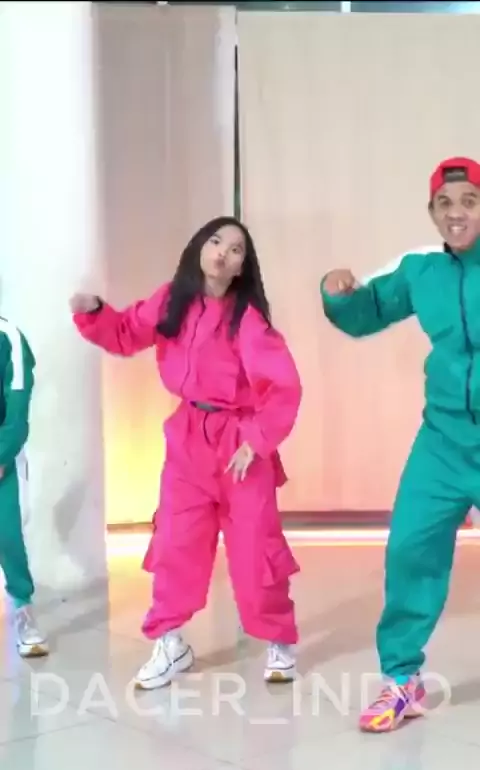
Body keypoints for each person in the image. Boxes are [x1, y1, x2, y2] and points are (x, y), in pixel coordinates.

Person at [70, 216, 302, 689]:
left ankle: (278, 639)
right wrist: (95, 313)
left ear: (241, 267)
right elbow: (126, 332)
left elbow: (284, 386)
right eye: (215, 241)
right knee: (176, 545)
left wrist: (256, 440)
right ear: (199, 247)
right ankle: (170, 642)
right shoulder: (171, 301)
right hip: (188, 441)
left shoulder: (248, 320)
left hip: (240, 448)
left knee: (255, 551)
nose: (222, 253)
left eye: (235, 249)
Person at [321, 156, 480, 733]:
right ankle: (402, 680)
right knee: (411, 549)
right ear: (432, 213)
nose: (457, 213)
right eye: (445, 204)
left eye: (469, 202)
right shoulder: (419, 268)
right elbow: (366, 313)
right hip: (442, 441)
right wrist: (337, 293)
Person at [0, 317, 48, 657]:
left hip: (2, 455)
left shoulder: (9, 337)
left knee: (8, 535)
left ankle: (22, 605)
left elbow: (17, 404)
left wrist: (2, 453)